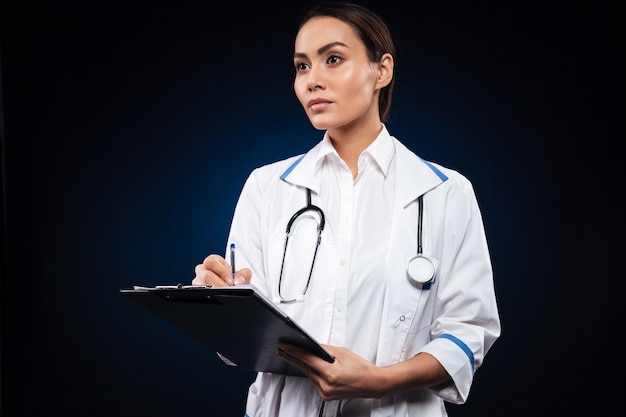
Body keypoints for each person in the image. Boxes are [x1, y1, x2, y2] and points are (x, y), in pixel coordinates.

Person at [192, 2, 501, 416]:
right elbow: (243, 346)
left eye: (332, 59)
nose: (312, 81)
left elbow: (470, 331)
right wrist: (221, 305)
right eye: (302, 66)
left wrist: (379, 381)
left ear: (382, 70)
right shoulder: (267, 188)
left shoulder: (445, 193)